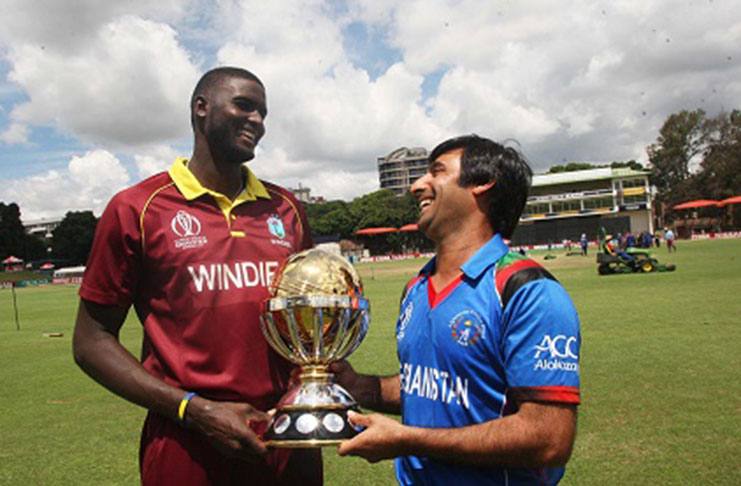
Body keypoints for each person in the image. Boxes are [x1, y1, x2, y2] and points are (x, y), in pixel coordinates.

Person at [72, 67, 321, 485]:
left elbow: (309, 321)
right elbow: (91, 341)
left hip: (285, 435)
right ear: (201, 108)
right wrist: (195, 410)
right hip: (186, 440)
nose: (258, 121)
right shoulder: (138, 207)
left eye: (263, 112)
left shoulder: (286, 209)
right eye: (244, 105)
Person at [333, 135, 580, 485]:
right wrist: (361, 387)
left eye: (436, 172)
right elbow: (431, 387)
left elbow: (548, 439)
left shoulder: (527, 291)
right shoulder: (416, 288)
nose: (417, 186)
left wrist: (407, 439)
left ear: (481, 183)